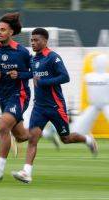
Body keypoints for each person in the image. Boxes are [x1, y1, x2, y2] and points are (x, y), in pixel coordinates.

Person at [11, 28, 98, 184]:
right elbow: (32, 74)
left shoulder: (53, 58)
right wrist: (19, 75)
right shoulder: (34, 59)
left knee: (66, 138)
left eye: (36, 40)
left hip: (55, 106)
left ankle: (87, 139)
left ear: (45, 41)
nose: (33, 43)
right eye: (31, 40)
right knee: (33, 138)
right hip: (39, 107)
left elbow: (65, 77)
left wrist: (43, 82)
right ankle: (26, 172)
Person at [0, 12, 32, 181]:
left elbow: (33, 72)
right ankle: (45, 133)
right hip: (3, 97)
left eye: (3, 30)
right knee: (21, 136)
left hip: (20, 95)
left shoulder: (22, 52)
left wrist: (19, 75)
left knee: (3, 127)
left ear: (11, 32)